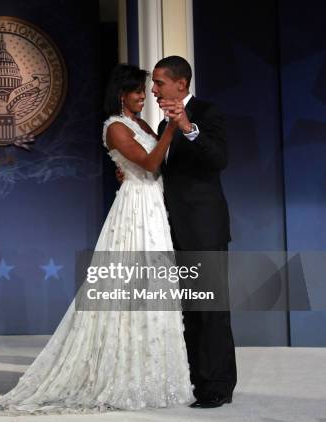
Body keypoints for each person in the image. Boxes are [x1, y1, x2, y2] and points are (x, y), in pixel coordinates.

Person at [0, 64, 193, 414]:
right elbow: (151, 165)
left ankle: (154, 372)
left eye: (144, 89)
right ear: (121, 93)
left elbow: (156, 166)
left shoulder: (140, 124)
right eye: (137, 90)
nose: (143, 95)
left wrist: (163, 134)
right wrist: (170, 128)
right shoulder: (116, 128)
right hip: (134, 213)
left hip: (153, 209)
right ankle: (118, 372)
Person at [147, 55, 236, 409]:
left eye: (159, 82)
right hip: (177, 230)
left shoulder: (207, 113)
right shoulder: (162, 123)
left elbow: (218, 160)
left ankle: (218, 387)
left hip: (205, 229)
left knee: (211, 310)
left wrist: (188, 127)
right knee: (192, 310)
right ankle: (199, 383)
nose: (154, 89)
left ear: (180, 84)